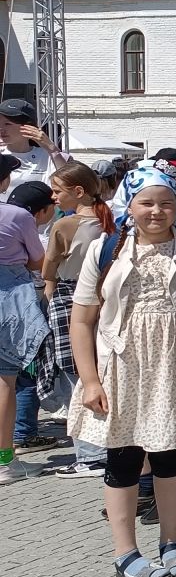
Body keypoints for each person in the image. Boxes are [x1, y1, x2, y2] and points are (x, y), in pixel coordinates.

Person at [67, 162, 176, 577]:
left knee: (172, 455)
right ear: (129, 206)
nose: (157, 211)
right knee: (124, 457)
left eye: (166, 203)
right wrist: (90, 380)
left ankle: (172, 542)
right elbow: (81, 320)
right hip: (120, 369)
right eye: (146, 203)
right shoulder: (104, 249)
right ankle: (125, 552)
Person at [40, 162, 117, 478]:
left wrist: (47, 297)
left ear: (78, 191)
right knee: (99, 371)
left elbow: (49, 269)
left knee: (76, 375)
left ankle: (90, 454)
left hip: (69, 297)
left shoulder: (65, 226)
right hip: (104, 297)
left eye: (57, 191)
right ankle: (104, 449)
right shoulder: (110, 221)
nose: (53, 197)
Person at [0, 182, 50, 485]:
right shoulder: (16, 215)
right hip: (9, 296)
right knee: (5, 379)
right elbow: (38, 259)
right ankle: (4, 460)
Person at [0, 97, 68, 201]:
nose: (1, 129)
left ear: (28, 126)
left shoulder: (48, 156)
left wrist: (51, 148)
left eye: (7, 124)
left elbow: (69, 181)